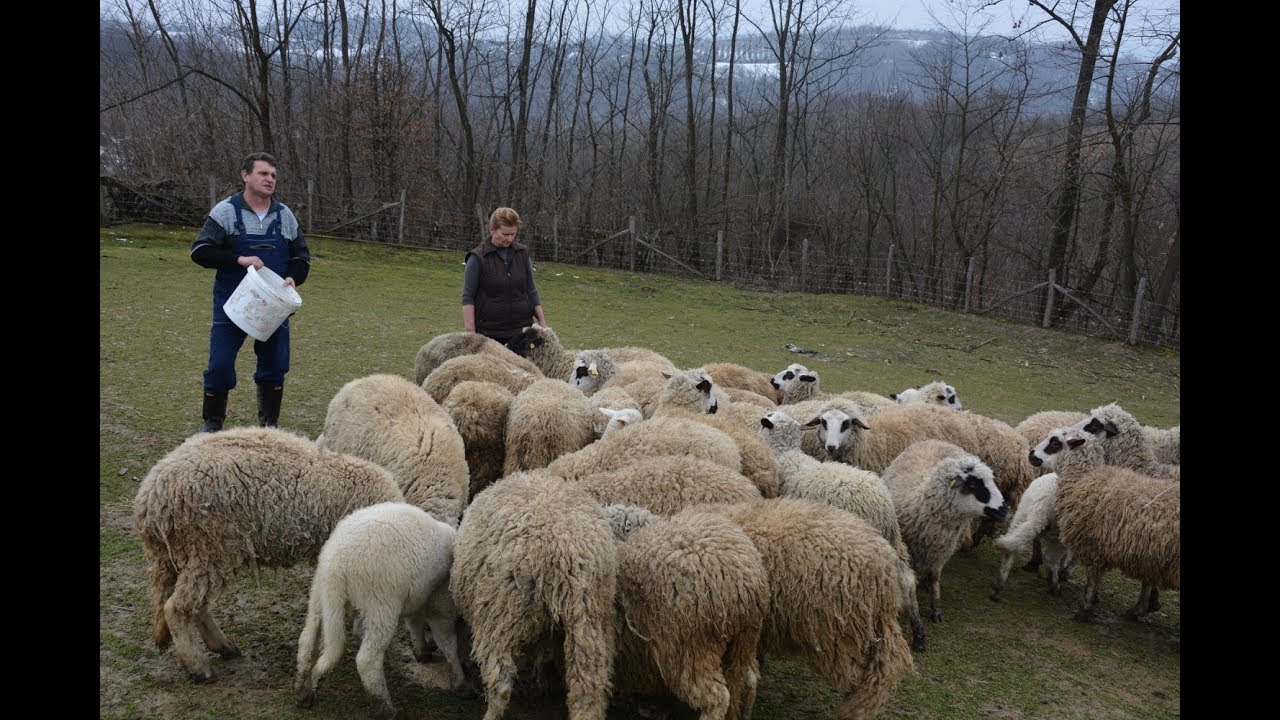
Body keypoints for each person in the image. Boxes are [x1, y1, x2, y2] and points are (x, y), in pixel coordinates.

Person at [190, 152, 311, 433]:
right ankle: (212, 422)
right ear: (246, 175)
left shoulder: (285, 215)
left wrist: (294, 277)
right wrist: (239, 260)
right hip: (232, 304)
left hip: (274, 306)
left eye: (273, 175)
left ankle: (269, 423)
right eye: (263, 173)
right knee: (219, 365)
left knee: (275, 364)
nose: (270, 179)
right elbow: (200, 251)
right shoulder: (225, 211)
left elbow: (302, 256)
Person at [462, 206, 547, 345]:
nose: (509, 239)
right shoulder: (477, 258)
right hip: (490, 334)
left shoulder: (523, 253)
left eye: (513, 234)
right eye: (505, 234)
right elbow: (468, 296)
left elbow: (531, 290)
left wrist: (542, 323)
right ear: (492, 229)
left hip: (522, 332)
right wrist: (470, 333)